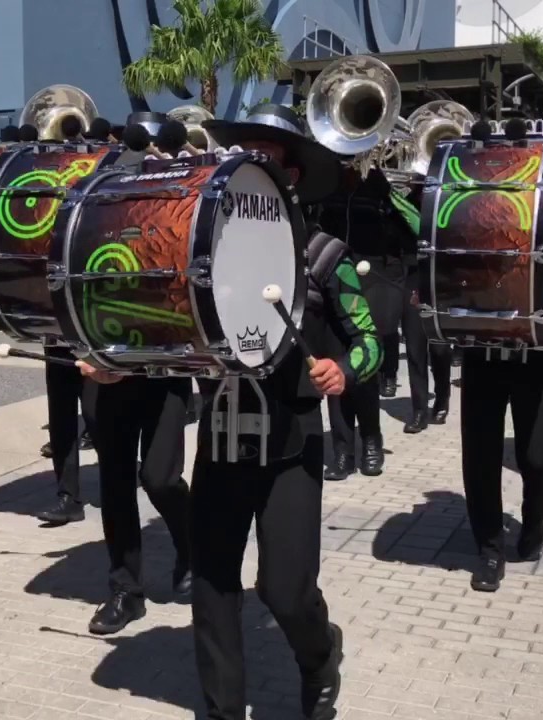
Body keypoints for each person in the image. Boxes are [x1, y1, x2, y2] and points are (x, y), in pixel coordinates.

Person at [183, 103, 370, 720]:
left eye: (271, 155)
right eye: (246, 151)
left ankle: (320, 658)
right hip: (221, 436)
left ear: (291, 174)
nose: (254, 163)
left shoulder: (323, 255)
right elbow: (169, 333)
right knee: (212, 587)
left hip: (292, 442)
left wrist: (344, 369)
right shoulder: (200, 260)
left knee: (284, 591)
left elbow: (369, 338)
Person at [461, 243, 543, 591]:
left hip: (538, 356)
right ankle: (489, 551)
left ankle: (535, 519)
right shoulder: (473, 217)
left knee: (540, 458)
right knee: (480, 458)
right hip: (482, 350)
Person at [80, 372, 192, 634]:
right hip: (106, 377)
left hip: (166, 374)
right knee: (115, 482)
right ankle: (126, 590)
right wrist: (85, 350)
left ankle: (192, 550)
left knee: (160, 479)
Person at [316, 167, 403, 478]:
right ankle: (342, 449)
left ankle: (370, 439)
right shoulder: (329, 187)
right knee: (331, 362)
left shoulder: (380, 190)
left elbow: (413, 227)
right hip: (329, 275)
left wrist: (386, 191)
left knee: (363, 365)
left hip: (372, 280)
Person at [34, 344, 96, 525]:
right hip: (57, 341)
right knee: (60, 419)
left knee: (97, 418)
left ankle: (118, 491)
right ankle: (68, 498)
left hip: (93, 343)